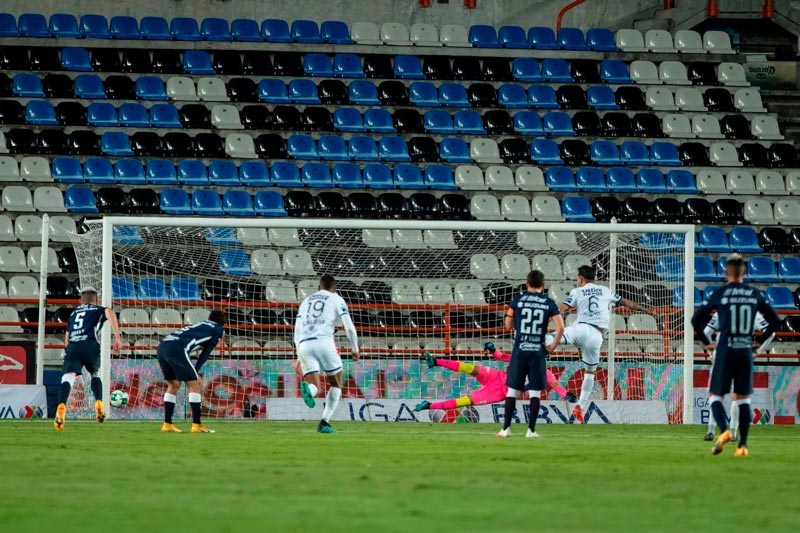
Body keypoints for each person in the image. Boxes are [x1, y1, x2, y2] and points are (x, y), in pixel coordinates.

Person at [692, 254, 780, 457]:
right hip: (745, 351)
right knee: (743, 400)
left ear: (726, 272)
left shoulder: (721, 293)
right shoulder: (754, 294)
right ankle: (743, 446)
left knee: (715, 395)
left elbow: (697, 320)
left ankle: (723, 432)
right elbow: (774, 322)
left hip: (724, 350)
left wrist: (708, 346)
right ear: (744, 273)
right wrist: (757, 346)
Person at [557, 265, 656, 423]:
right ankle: (581, 407)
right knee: (590, 372)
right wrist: (645, 310)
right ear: (594, 279)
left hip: (581, 328)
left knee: (553, 340)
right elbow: (626, 303)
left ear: (580, 279)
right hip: (596, 335)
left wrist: (549, 314)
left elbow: (562, 308)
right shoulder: (604, 290)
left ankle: (534, 339)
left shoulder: (576, 291)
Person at [414, 342, 576, 413]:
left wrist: (566, 395)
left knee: (465, 401)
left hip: (500, 392)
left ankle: (428, 406)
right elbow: (501, 357)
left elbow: (556, 386)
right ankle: (435, 361)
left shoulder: (545, 373)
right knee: (471, 368)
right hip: (497, 377)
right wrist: (492, 349)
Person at [496, 270, 564, 438]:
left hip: (519, 351)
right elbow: (561, 328)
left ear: (527, 284)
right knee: (535, 392)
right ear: (543, 285)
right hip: (537, 352)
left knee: (512, 391)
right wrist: (552, 347)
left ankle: (506, 430)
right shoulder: (549, 303)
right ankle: (531, 431)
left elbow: (507, 325)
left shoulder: (518, 300)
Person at [295, 274, 359, 434]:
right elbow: (349, 327)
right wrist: (355, 348)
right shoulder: (336, 299)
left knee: (314, 385)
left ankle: (309, 391)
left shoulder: (306, 301)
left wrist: (297, 353)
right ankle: (324, 422)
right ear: (334, 288)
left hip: (304, 344)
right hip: (324, 342)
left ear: (318, 287)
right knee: (336, 383)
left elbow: (297, 328)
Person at [54, 286, 123, 431]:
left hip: (73, 346)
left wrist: (68, 350)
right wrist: (117, 337)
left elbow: (66, 338)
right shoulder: (97, 309)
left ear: (80, 300)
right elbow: (109, 312)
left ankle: (61, 406)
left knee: (68, 377)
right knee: (95, 373)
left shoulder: (73, 313)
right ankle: (98, 402)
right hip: (90, 345)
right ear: (96, 300)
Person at [702, 310, 774, 442]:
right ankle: (734, 433)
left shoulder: (721, 311)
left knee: (716, 394)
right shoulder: (752, 312)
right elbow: (771, 332)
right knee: (738, 395)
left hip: (722, 356)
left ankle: (711, 431)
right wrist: (757, 351)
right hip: (743, 356)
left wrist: (711, 353)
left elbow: (706, 332)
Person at [157, 310, 226, 433]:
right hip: (176, 348)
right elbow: (206, 353)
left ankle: (167, 424)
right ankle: (197, 424)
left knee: (174, 385)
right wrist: (196, 370)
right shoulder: (218, 329)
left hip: (163, 346)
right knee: (195, 384)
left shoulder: (201, 324)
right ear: (223, 323)